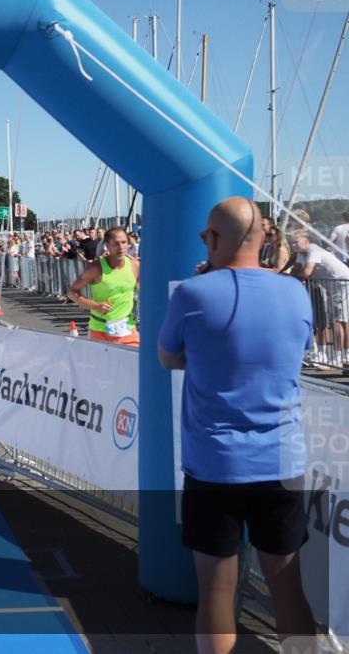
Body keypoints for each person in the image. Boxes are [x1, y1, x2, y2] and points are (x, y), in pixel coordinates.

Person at [158, 198, 316, 654]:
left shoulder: (192, 293)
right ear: (263, 238)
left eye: (206, 235)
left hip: (215, 464)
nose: (204, 241)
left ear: (218, 239)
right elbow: (294, 349)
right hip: (281, 461)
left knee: (217, 591)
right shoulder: (295, 293)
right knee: (287, 588)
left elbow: (168, 358)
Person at [67, 226, 140, 346]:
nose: (121, 247)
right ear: (107, 245)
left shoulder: (135, 266)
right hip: (100, 330)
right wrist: (94, 306)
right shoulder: (96, 268)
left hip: (127, 329)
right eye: (116, 243)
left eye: (124, 242)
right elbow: (72, 292)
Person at [292, 231, 349, 365]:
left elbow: (306, 272)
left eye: (296, 242)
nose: (293, 245)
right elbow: (297, 268)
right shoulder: (302, 253)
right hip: (332, 285)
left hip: (340, 283)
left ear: (307, 242)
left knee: (338, 320)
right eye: (292, 242)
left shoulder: (314, 251)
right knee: (341, 320)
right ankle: (344, 355)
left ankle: (339, 356)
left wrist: (292, 277)